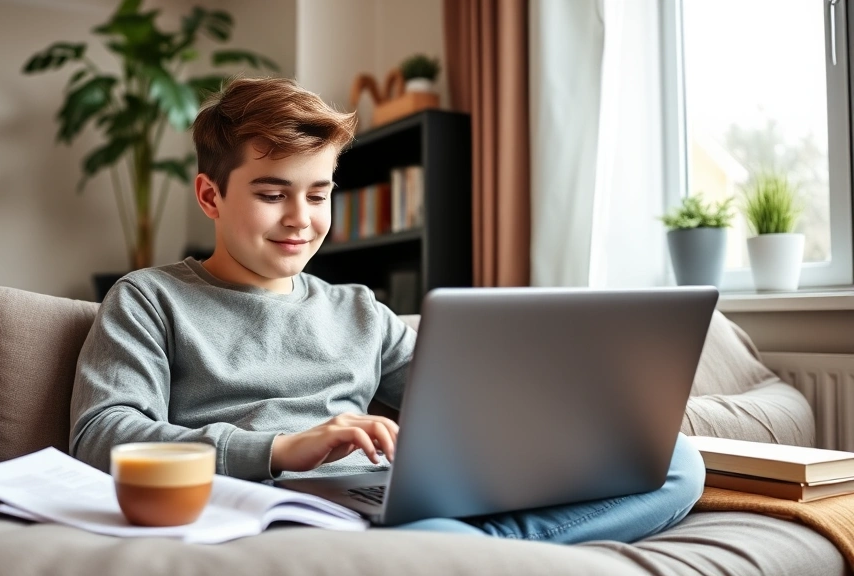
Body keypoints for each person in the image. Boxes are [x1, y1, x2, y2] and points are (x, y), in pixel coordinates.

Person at [69, 76, 705, 543]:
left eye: (318, 195)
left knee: (676, 461)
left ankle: (475, 552)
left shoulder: (361, 313)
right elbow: (103, 434)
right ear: (211, 195)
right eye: (272, 194)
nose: (300, 219)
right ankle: (462, 553)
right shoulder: (149, 300)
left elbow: (467, 404)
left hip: (387, 507)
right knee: (423, 536)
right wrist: (280, 449)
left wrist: (566, 410)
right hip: (276, 509)